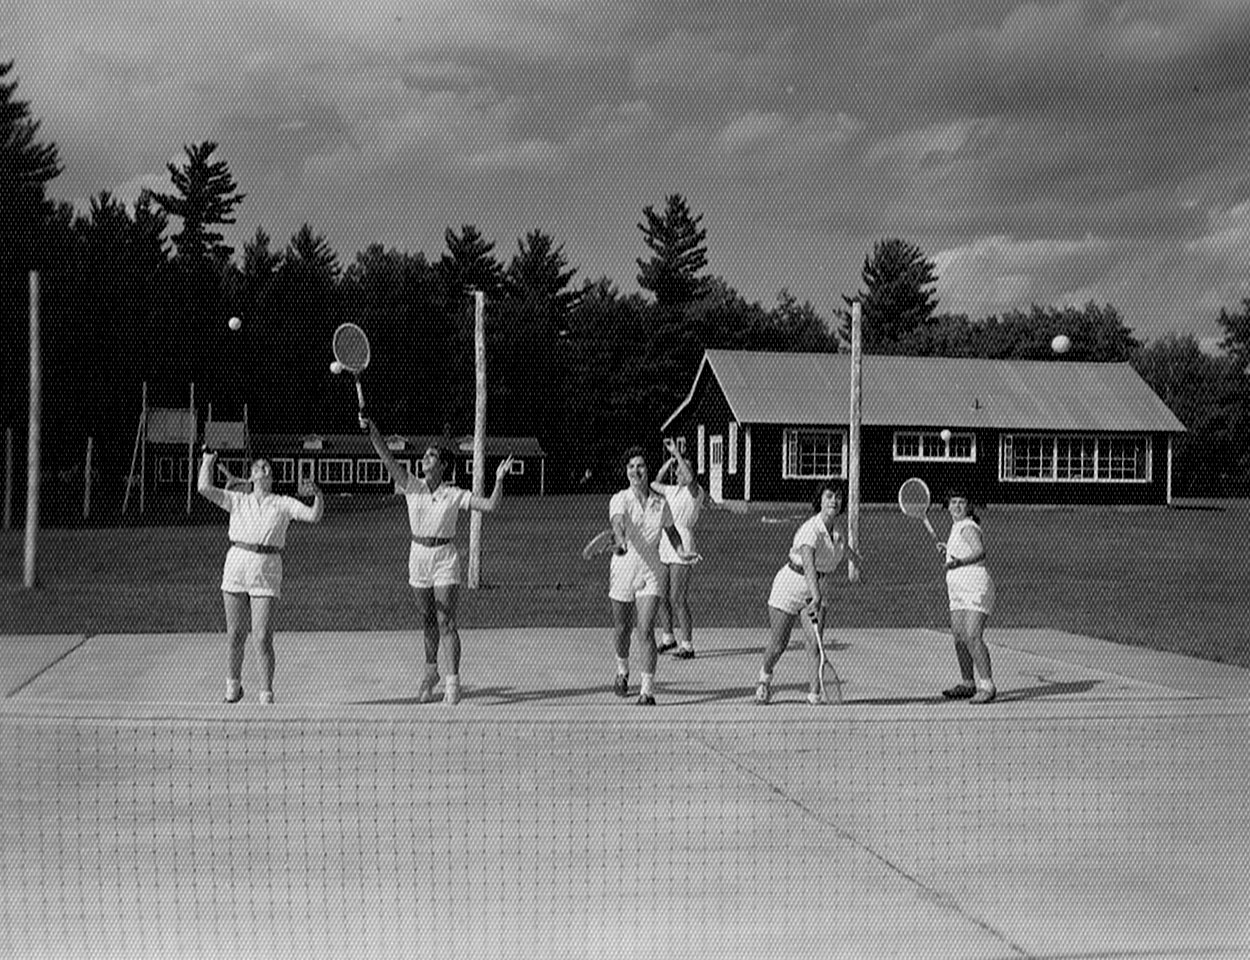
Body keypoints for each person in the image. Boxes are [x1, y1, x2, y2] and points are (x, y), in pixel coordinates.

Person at [366, 419, 514, 705]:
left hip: (445, 558)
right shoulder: (412, 485)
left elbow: (491, 506)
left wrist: (498, 480)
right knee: (428, 618)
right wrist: (371, 429)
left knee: (446, 620)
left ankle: (452, 683)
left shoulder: (454, 493)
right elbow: (386, 457)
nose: (425, 458)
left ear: (444, 465)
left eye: (432, 456)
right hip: (418, 557)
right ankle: (430, 672)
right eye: (425, 455)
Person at [197, 451, 324, 704]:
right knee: (235, 634)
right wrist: (208, 462)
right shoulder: (237, 500)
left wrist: (318, 495)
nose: (263, 468)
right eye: (259, 466)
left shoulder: (283, 503)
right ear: (252, 475)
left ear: (270, 476)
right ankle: (233, 688)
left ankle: (266, 694)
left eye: (267, 466)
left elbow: (313, 516)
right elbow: (203, 487)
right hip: (236, 566)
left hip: (267, 569)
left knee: (263, 636)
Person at [754, 479, 864, 706]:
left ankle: (814, 693)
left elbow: (840, 548)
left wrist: (855, 559)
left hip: (818, 588)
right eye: (829, 496)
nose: (834, 501)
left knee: (814, 642)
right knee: (778, 644)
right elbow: (808, 564)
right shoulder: (810, 530)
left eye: (838, 497)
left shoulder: (837, 531)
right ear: (820, 500)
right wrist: (816, 595)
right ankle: (764, 679)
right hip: (790, 586)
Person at [608, 446, 698, 705]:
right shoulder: (620, 499)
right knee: (622, 628)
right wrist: (621, 539)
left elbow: (671, 531)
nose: (636, 471)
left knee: (645, 630)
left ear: (648, 470)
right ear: (627, 472)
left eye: (641, 466)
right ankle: (623, 670)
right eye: (631, 467)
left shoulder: (661, 503)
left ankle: (647, 691)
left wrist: (682, 552)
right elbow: (617, 522)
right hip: (624, 568)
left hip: (651, 571)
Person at [938, 487, 996, 704]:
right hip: (957, 590)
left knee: (972, 636)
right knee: (959, 638)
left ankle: (987, 685)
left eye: (962, 502)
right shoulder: (957, 527)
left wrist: (959, 562)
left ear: (969, 506)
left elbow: (980, 551)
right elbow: (965, 552)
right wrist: (950, 551)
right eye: (953, 502)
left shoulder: (968, 526)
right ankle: (968, 684)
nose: (957, 506)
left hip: (975, 587)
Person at [650, 437, 704, 659]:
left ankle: (688, 645)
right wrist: (669, 463)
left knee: (678, 598)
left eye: (683, 469)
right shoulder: (672, 490)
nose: (680, 472)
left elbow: (690, 477)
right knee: (661, 595)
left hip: (684, 539)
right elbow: (653, 484)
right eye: (679, 470)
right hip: (666, 541)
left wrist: (678, 456)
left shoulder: (696, 491)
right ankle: (668, 637)